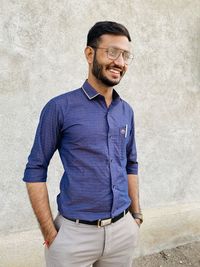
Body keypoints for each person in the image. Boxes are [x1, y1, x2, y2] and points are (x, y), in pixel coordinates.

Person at [23, 21, 143, 267]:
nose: (119, 62)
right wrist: (49, 232)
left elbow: (131, 164)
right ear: (90, 54)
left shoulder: (126, 111)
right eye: (112, 52)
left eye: (125, 55)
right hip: (73, 237)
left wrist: (136, 216)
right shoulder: (59, 108)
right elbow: (35, 170)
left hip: (122, 232)